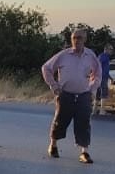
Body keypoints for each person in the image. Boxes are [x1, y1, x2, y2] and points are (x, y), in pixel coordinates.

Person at [41, 28, 102, 164]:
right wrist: (54, 86)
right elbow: (46, 68)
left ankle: (84, 152)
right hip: (65, 95)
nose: (76, 40)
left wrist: (92, 89)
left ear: (85, 39)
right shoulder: (64, 55)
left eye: (79, 38)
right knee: (60, 121)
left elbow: (97, 74)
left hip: (83, 95)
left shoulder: (90, 56)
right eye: (74, 38)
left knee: (84, 123)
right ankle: (53, 145)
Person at [95, 43, 114, 115]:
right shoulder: (103, 56)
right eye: (110, 49)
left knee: (98, 94)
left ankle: (95, 110)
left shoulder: (105, 57)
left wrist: (110, 78)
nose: (112, 51)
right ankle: (102, 111)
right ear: (105, 49)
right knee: (104, 93)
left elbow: (105, 70)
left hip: (102, 77)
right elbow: (98, 66)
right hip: (101, 78)